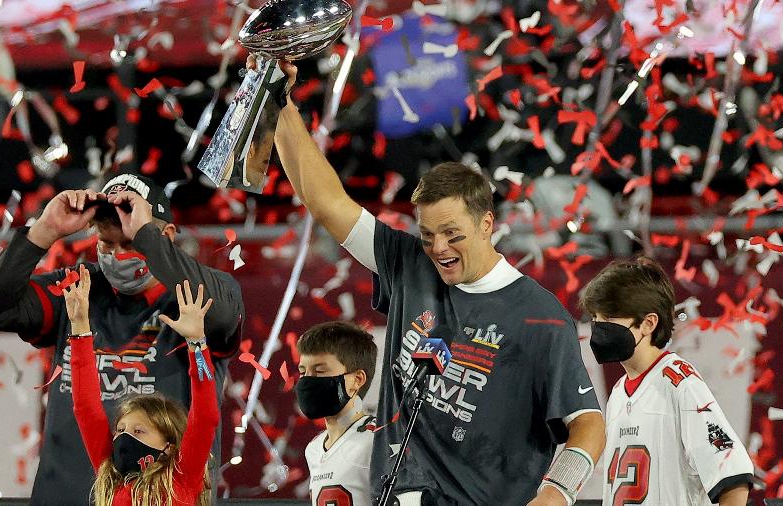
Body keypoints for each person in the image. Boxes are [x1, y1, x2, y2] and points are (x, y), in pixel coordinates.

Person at [257, 55, 606, 505]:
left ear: (487, 224)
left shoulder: (539, 317)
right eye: (427, 235)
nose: (439, 248)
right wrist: (280, 101)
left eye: (453, 234)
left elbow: (587, 422)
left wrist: (557, 493)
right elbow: (324, 200)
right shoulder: (409, 264)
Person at [0, 173, 244, 504]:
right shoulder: (77, 290)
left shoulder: (200, 298)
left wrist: (147, 237)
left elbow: (223, 316)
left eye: (129, 243)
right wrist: (43, 232)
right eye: (106, 242)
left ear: (166, 235)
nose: (116, 255)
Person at [579, 257, 755, 506]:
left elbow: (732, 475)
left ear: (648, 323)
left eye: (608, 318)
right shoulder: (619, 393)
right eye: (595, 318)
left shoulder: (680, 383)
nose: (598, 328)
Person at [65, 267, 218, 505]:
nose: (124, 438)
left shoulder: (181, 479)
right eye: (121, 430)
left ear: (168, 447)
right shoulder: (111, 479)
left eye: (139, 431)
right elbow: (86, 408)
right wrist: (79, 327)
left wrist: (197, 343)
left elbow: (206, 416)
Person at [295, 321, 377, 506]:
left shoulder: (379, 439)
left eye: (320, 371)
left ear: (357, 380)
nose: (307, 380)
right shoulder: (314, 449)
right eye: (302, 372)